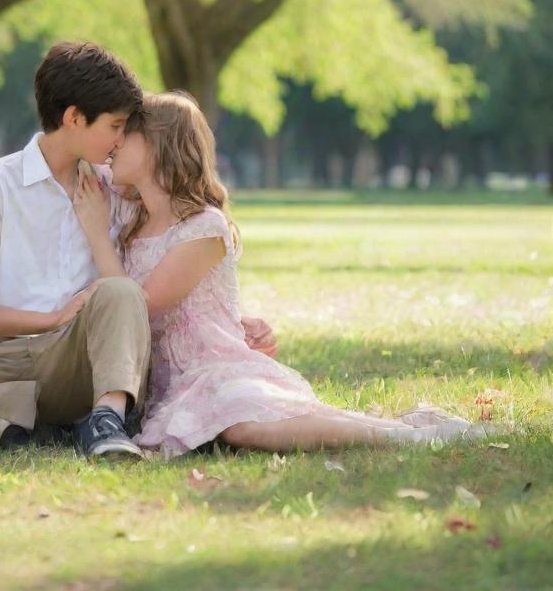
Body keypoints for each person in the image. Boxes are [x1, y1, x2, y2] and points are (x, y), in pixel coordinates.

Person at [0, 44, 276, 459]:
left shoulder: (113, 189)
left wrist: (226, 318)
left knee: (118, 292)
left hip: (83, 361)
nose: (121, 139)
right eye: (116, 125)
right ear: (74, 118)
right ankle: (28, 426)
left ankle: (83, 422)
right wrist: (49, 319)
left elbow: (166, 258)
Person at [72, 90, 487, 457]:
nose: (115, 142)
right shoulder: (132, 215)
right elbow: (73, 151)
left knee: (245, 428)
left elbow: (141, 305)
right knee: (239, 427)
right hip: (167, 382)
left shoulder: (203, 225)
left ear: (157, 143)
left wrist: (96, 233)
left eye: (126, 132)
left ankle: (407, 435)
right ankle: (410, 428)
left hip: (212, 366)